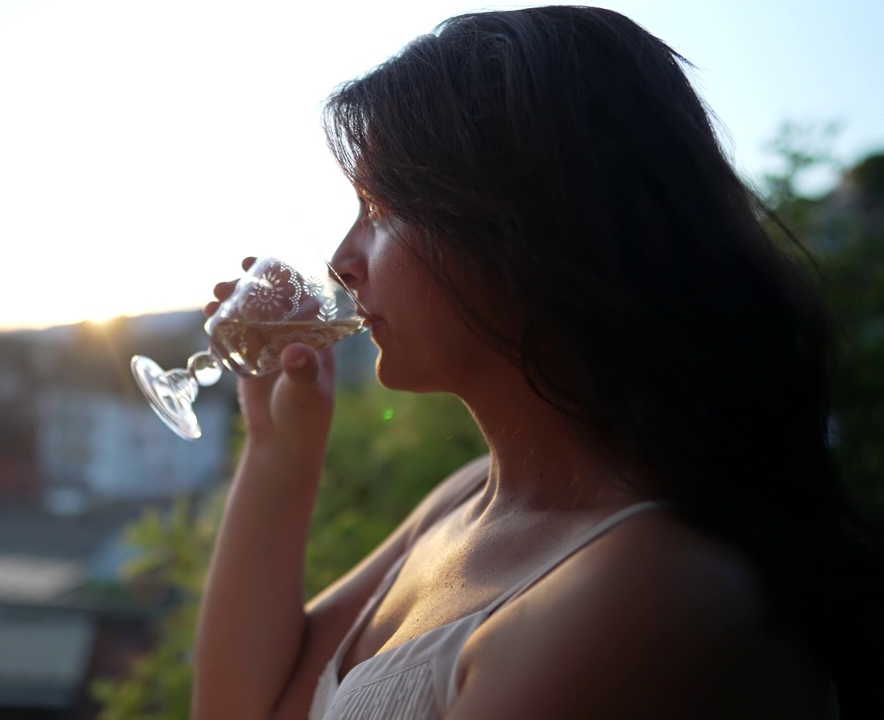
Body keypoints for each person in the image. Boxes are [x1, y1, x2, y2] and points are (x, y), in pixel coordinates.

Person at [191, 6, 884, 720]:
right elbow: (241, 708)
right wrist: (280, 446)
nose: (342, 263)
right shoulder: (466, 500)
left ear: (521, 227)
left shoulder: (647, 590)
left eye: (380, 206)